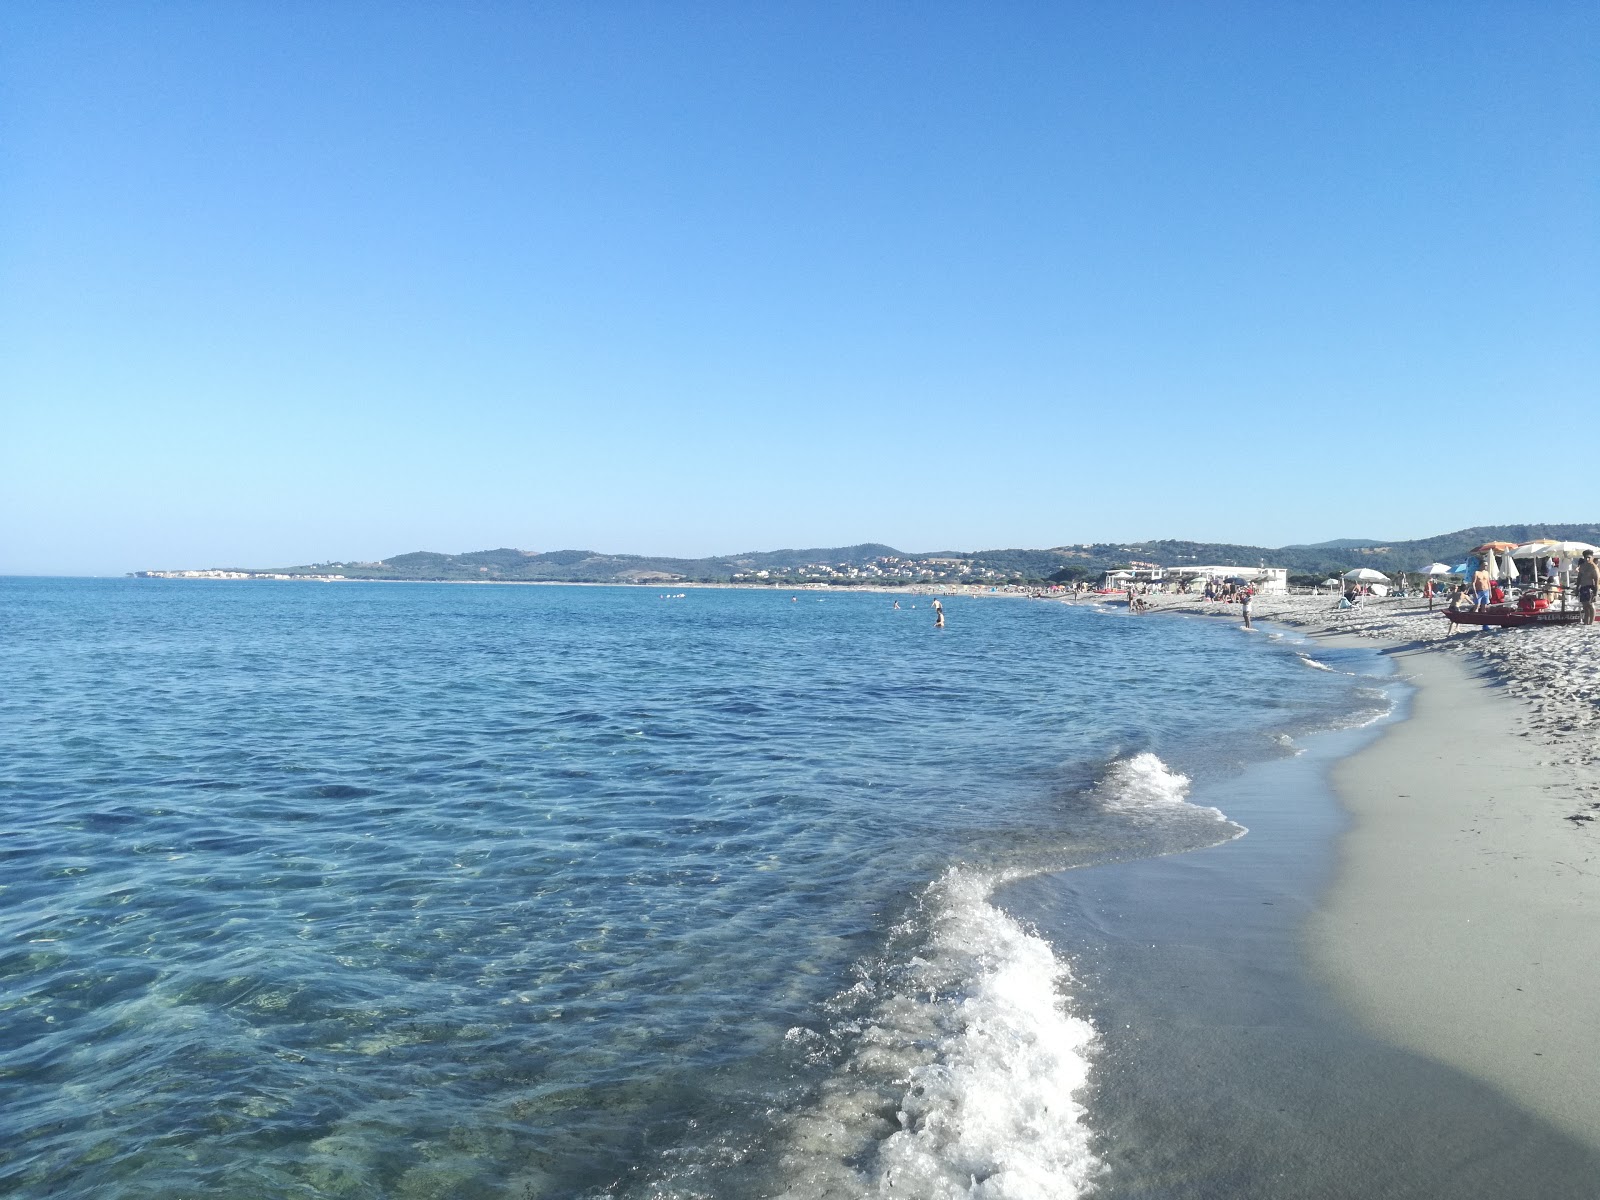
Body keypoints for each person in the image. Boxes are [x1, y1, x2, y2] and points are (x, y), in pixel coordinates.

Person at [1577, 550, 1599, 626]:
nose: (1587, 559)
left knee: (1590, 605)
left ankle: (1591, 622)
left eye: (1589, 558)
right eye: (1586, 558)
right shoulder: (1582, 566)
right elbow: (1579, 578)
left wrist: (1596, 593)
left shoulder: (1593, 567)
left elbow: (1597, 581)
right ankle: (1586, 622)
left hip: (1590, 587)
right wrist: (1577, 588)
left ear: (1592, 557)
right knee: (1585, 606)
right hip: (1583, 587)